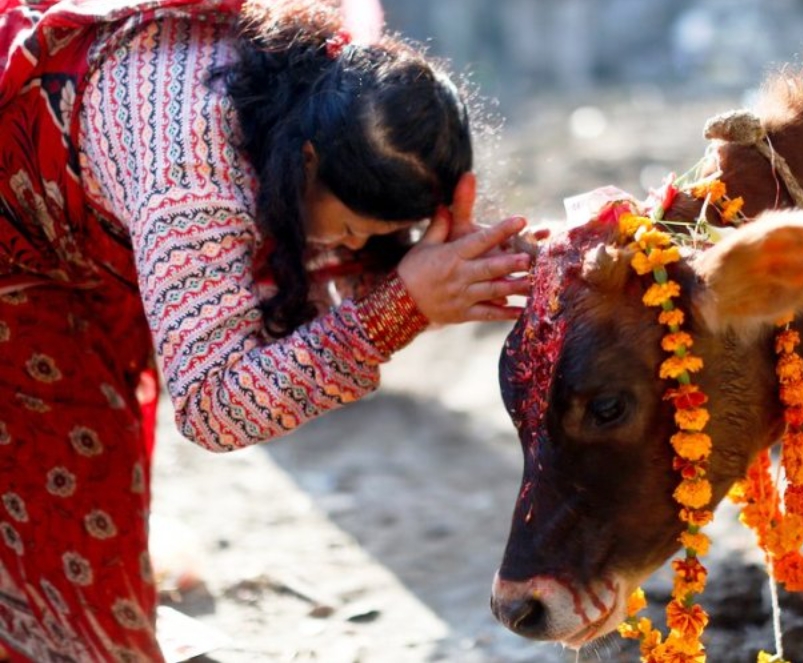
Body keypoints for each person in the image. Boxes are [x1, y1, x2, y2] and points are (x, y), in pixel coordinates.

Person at [0, 0, 534, 660]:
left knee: (90, 527)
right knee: (72, 572)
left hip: (77, 243)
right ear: (304, 161)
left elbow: (323, 263)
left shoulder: (328, 83)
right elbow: (213, 404)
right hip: (16, 275)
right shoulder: (191, 178)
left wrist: (461, 261)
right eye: (349, 228)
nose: (353, 246)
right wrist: (401, 308)